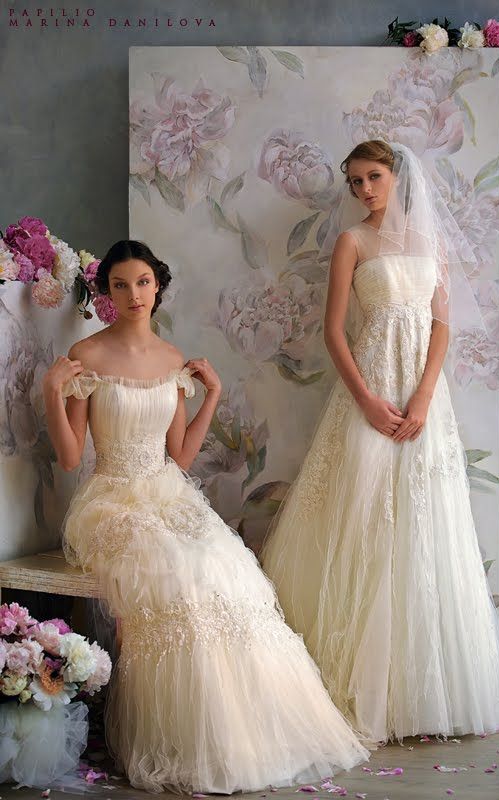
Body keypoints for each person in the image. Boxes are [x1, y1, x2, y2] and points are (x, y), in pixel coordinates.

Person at [42, 240, 368, 794]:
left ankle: (244, 735)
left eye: (143, 282)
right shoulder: (87, 356)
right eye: (120, 284)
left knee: (224, 568)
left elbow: (182, 458)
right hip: (112, 499)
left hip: (168, 493)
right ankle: (178, 736)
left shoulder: (174, 361)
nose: (133, 294)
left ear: (158, 286)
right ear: (107, 292)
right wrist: (54, 393)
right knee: (172, 570)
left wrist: (211, 394)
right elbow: (73, 457)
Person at [261, 140, 499, 744]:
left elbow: (442, 326)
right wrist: (366, 401)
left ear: (397, 176)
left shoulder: (431, 244)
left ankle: (418, 693)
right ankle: (347, 683)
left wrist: (426, 398)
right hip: (370, 392)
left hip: (422, 401)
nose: (363, 190)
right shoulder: (352, 241)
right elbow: (333, 332)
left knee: (424, 527)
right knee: (361, 521)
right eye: (354, 181)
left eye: (373, 177)